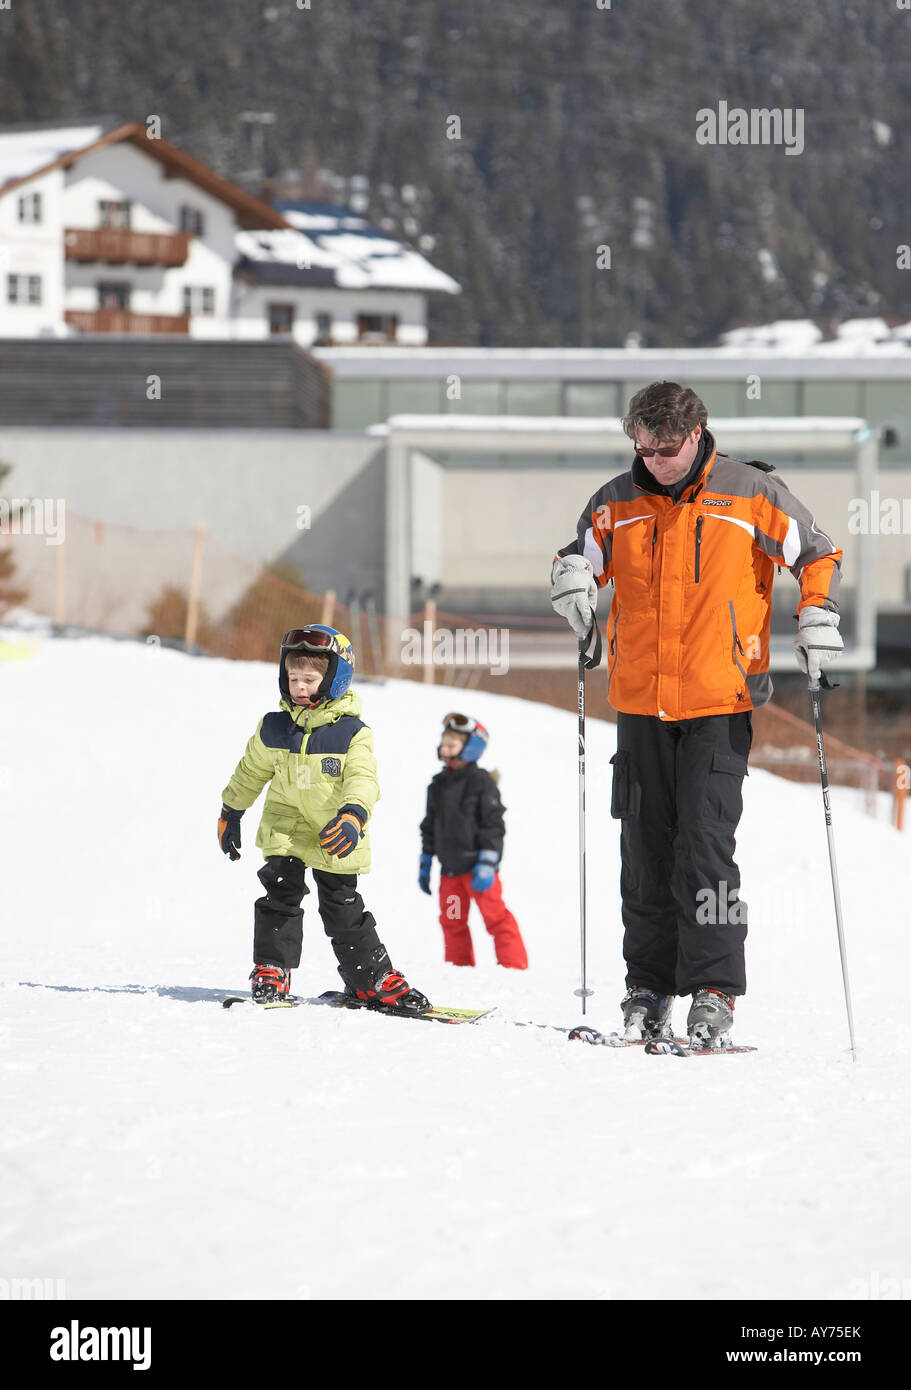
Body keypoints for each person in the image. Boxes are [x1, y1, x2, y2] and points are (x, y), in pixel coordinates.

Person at [550, 381, 843, 1046]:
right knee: (645, 848)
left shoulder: (750, 492)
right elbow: (580, 558)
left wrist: (816, 611)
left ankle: (712, 990)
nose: (655, 459)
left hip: (720, 700)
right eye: (644, 448)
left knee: (704, 848)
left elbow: (818, 550)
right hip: (638, 703)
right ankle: (646, 987)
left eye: (667, 447)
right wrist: (568, 576)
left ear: (696, 433)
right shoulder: (615, 502)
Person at [218, 625, 429, 1010]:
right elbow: (249, 772)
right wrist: (232, 809)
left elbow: (363, 779)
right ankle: (271, 969)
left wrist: (353, 816)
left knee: (342, 906)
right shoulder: (274, 728)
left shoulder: (352, 733)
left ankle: (370, 979)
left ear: (334, 680)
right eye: (292, 677)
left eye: (310, 679)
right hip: (287, 828)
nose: (299, 686)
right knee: (280, 895)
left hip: (336, 831)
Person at [419, 713, 528, 970]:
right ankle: (460, 971)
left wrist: (488, 861)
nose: (444, 749)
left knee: (496, 919)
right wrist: (426, 860)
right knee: (452, 921)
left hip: (478, 872)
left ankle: (515, 969)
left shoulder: (482, 783)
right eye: (444, 743)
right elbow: (430, 827)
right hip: (451, 875)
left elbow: (494, 825)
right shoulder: (437, 786)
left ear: (471, 747)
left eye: (451, 744)